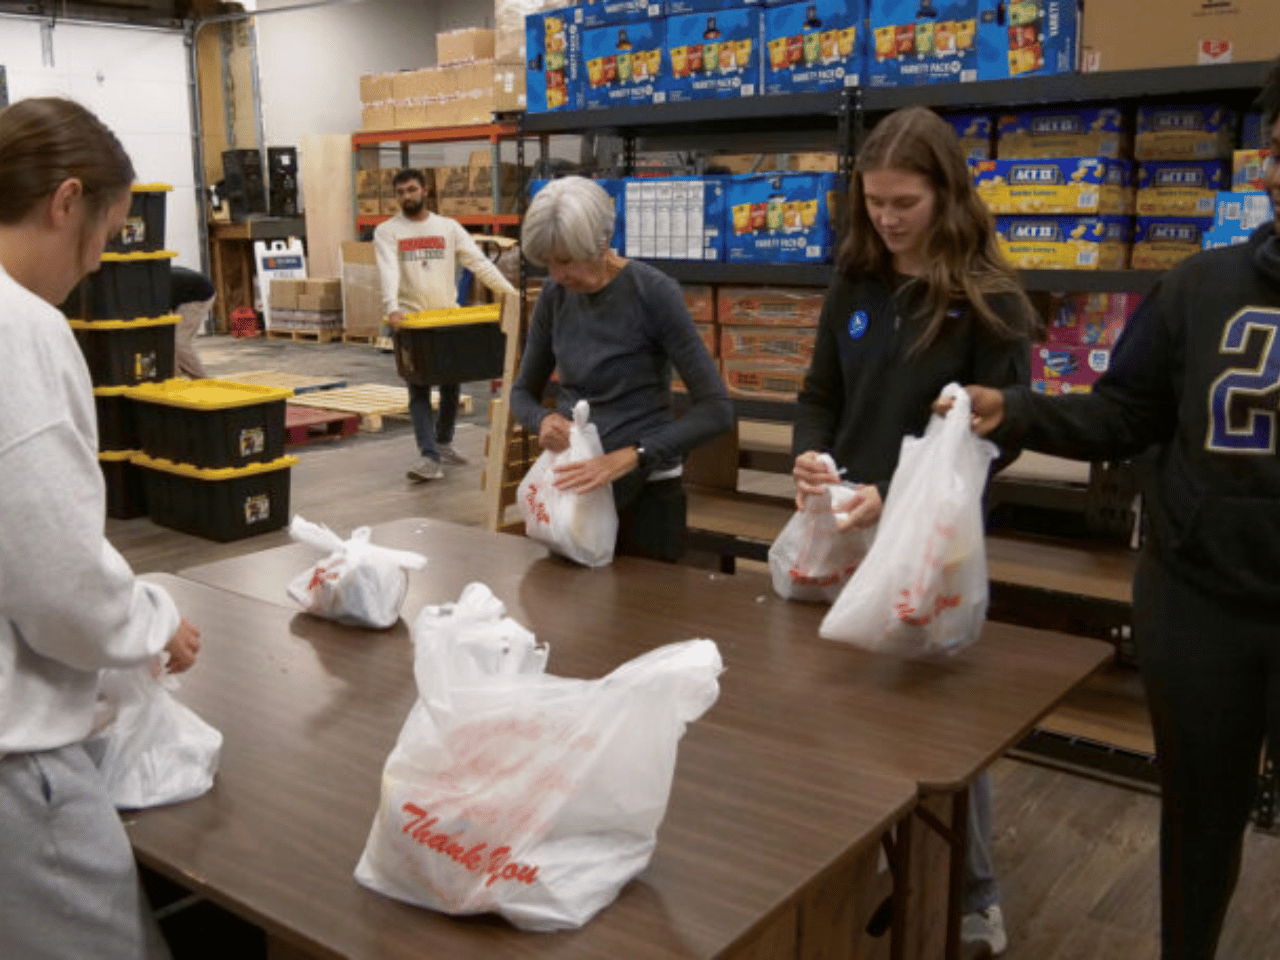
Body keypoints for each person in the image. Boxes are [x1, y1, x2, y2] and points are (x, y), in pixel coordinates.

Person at [939, 58, 1280, 960]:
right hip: (1200, 603)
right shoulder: (1199, 287)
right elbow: (1124, 414)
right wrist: (1015, 407)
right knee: (1199, 819)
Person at [790, 106, 1039, 955]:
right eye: (874, 203)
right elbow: (820, 392)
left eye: (905, 203)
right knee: (841, 699)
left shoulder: (989, 298)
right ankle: (853, 856)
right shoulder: (855, 282)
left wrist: (901, 500)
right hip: (845, 520)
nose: (887, 220)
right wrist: (810, 457)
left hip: (939, 540)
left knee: (935, 718)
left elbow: (998, 439)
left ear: (947, 194)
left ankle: (971, 895)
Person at [0, 97, 203, 960]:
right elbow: (59, 583)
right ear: (67, 202)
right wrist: (151, 621)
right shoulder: (20, 331)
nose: (95, 265)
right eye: (107, 235)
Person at [511, 175, 733, 563]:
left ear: (600, 244)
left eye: (565, 260)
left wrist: (634, 455)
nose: (557, 274)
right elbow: (521, 394)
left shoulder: (653, 293)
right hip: (575, 495)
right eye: (548, 262)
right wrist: (542, 420)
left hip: (647, 497)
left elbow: (716, 409)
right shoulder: (554, 296)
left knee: (642, 615)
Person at [374, 167, 517, 481]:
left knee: (452, 383)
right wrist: (392, 308)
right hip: (412, 323)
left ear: (425, 191)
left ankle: (444, 442)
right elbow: (388, 270)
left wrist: (511, 295)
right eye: (400, 193)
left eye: (411, 190)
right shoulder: (387, 231)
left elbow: (477, 262)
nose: (406, 197)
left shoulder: (448, 228)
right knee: (419, 388)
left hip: (447, 318)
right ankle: (429, 457)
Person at [170, 264, 214, 379]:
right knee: (167, 339)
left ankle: (203, 380)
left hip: (198, 297)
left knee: (179, 342)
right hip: (183, 294)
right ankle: (175, 377)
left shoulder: (151, 284)